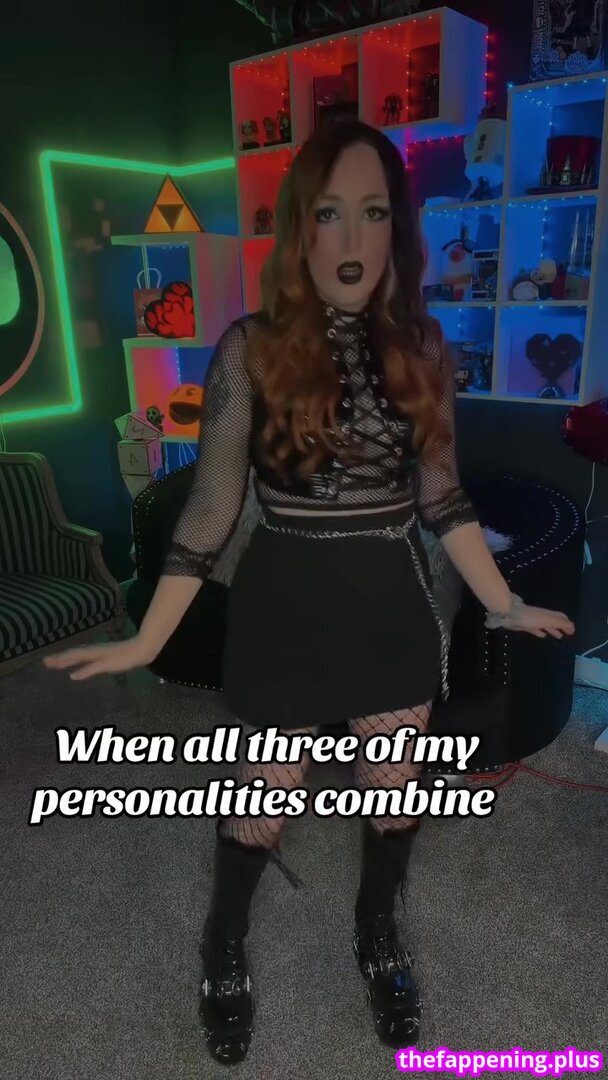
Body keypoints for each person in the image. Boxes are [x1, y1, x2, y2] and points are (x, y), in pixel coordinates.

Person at [45, 120, 575, 1065]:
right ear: (301, 229)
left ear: (396, 228)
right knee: (265, 796)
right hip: (285, 606)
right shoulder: (248, 349)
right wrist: (146, 639)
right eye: (330, 214)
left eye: (373, 213)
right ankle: (223, 943)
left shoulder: (424, 346)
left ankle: (377, 931)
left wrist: (500, 601)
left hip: (389, 608)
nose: (352, 239)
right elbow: (212, 510)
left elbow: (444, 499)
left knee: (395, 791)